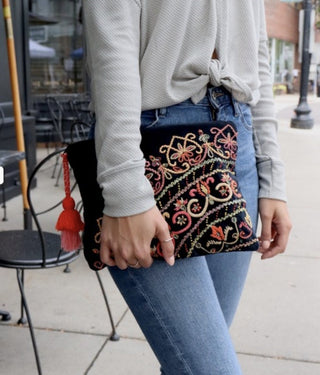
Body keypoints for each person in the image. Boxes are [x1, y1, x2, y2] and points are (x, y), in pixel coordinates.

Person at [83, 1, 292, 374]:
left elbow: (256, 51)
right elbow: (111, 43)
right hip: (153, 145)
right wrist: (125, 189)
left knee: (188, 361)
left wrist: (272, 177)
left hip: (238, 140)